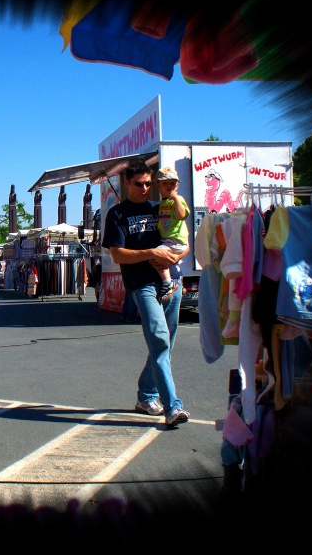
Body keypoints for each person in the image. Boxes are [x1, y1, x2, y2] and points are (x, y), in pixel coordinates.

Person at [101, 162, 191, 426]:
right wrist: (152, 253)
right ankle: (172, 407)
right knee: (160, 340)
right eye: (139, 183)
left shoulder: (160, 206)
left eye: (149, 183)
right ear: (127, 183)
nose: (145, 188)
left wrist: (174, 258)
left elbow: (183, 239)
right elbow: (117, 254)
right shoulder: (117, 214)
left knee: (165, 344)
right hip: (142, 285)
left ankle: (146, 395)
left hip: (171, 281)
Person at [153, 166, 189, 303]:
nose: (169, 186)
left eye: (172, 183)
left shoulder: (178, 199)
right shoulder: (162, 203)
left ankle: (168, 283)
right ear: (158, 185)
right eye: (165, 183)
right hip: (168, 240)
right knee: (156, 260)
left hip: (176, 240)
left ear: (177, 185)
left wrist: (176, 199)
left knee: (157, 253)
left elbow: (181, 215)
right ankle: (178, 284)